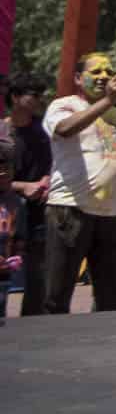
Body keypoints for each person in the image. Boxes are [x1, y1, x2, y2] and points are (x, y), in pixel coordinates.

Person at [43, 52, 116, 314]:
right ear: (77, 78)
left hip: (112, 215)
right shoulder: (64, 105)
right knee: (57, 295)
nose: (104, 77)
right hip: (70, 210)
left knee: (114, 297)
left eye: (108, 72)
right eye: (95, 72)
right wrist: (108, 100)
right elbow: (64, 129)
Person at [4, 73, 51, 315]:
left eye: (41, 95)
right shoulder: (3, 132)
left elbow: (56, 163)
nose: (39, 100)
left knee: (38, 275)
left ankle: (32, 324)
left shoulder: (44, 130)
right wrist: (23, 186)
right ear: (15, 97)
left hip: (38, 212)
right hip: (7, 214)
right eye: (34, 95)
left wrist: (47, 180)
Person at [0, 137, 25, 324]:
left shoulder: (16, 202)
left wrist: (17, 256)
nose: (3, 172)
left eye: (7, 167)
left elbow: (20, 237)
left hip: (4, 274)